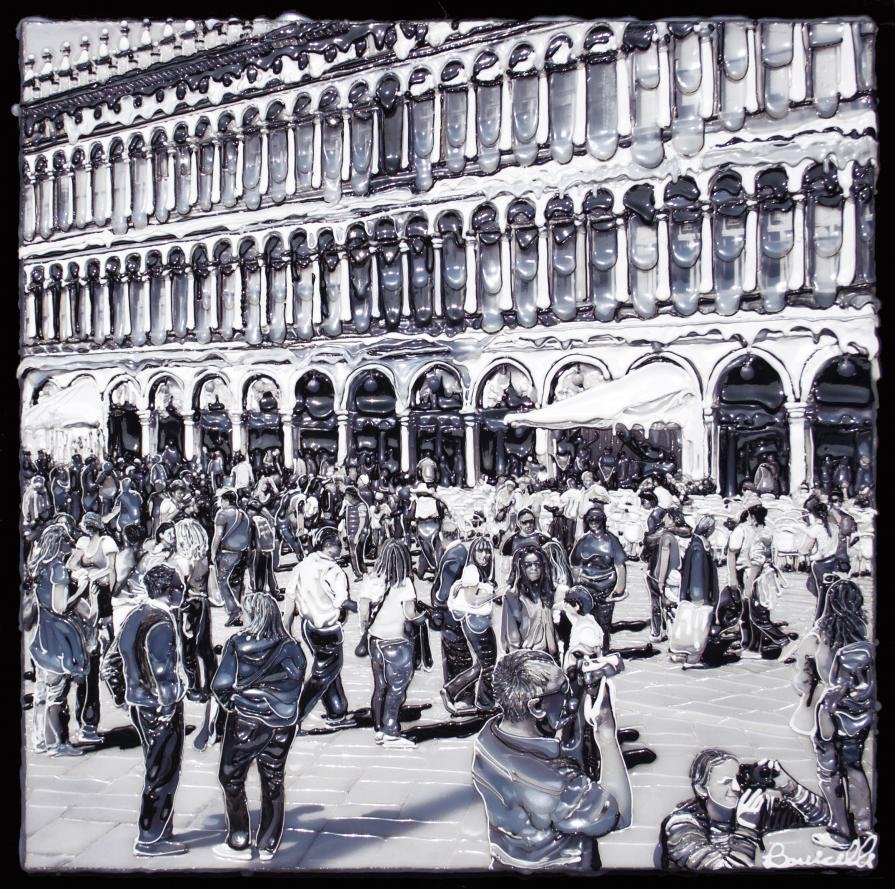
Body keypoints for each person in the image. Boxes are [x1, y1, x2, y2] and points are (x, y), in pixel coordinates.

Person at [471, 649, 632, 871]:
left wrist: (572, 692)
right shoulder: (554, 783)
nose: (571, 699)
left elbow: (543, 739)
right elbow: (619, 815)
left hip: (508, 861)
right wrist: (605, 733)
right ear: (536, 707)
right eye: (563, 690)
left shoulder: (488, 738)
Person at [210, 592, 306, 861]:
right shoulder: (291, 646)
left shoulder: (238, 643)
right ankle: (268, 842)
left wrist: (233, 703)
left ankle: (239, 838)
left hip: (246, 720)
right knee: (274, 779)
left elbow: (220, 684)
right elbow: (297, 683)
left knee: (231, 777)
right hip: (281, 722)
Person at [111, 565, 189, 857]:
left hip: (138, 702)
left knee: (155, 766)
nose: (184, 591)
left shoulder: (135, 615)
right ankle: (150, 837)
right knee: (163, 772)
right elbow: (162, 671)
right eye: (181, 586)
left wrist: (122, 696)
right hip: (159, 707)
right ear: (170, 592)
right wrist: (171, 703)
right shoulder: (161, 622)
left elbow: (111, 663)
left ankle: (161, 827)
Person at [792, 578, 874, 850]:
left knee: (829, 771)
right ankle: (865, 828)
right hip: (858, 713)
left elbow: (802, 681)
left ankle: (840, 830)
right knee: (854, 766)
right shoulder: (862, 632)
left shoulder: (818, 636)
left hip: (828, 713)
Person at [659, 748, 829, 870]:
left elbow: (828, 821)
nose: (736, 788)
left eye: (737, 779)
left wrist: (789, 787)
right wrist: (746, 830)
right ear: (701, 789)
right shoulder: (681, 825)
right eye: (726, 782)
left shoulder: (758, 808)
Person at [26, 523, 91, 757]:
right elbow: (60, 606)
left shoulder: (40, 567)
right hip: (57, 637)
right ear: (59, 543)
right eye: (67, 541)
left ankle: (40, 740)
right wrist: (81, 589)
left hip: (42, 634)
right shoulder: (58, 570)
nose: (71, 545)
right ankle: (57, 743)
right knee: (57, 693)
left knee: (42, 692)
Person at [358, 540, 427, 748]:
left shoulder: (370, 580)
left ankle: (378, 728)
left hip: (375, 640)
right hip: (397, 642)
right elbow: (409, 613)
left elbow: (363, 609)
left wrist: (365, 630)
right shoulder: (405, 582)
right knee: (397, 689)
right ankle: (390, 729)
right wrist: (423, 617)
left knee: (380, 687)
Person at [283, 527, 355, 728]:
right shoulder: (333, 570)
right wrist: (364, 607)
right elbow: (342, 601)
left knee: (330, 670)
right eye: (339, 543)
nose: (342, 546)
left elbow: (290, 602)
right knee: (322, 675)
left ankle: (337, 710)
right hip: (328, 629)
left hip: (308, 627)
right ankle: (295, 717)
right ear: (330, 546)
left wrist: (286, 631)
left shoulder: (302, 566)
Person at [430, 519, 477, 714]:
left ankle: (461, 695)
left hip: (450, 611)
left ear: (441, 536)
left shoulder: (453, 555)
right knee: (456, 651)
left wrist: (437, 603)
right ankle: (456, 692)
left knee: (455, 651)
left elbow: (444, 589)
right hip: (457, 609)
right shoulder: (461, 551)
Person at [569, 506, 627, 653]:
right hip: (587, 588)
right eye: (590, 520)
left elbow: (620, 565)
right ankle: (589, 650)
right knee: (587, 622)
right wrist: (576, 585)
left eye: (597, 520)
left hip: (606, 589)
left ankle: (605, 652)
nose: (593, 522)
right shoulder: (584, 541)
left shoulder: (611, 540)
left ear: (603, 521)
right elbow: (575, 564)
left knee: (604, 624)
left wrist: (619, 589)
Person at [442, 565, 499, 713]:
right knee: (488, 665)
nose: (485, 556)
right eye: (481, 551)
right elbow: (473, 600)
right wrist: (493, 593)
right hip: (477, 626)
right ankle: (485, 703)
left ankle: (452, 690)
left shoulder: (465, 582)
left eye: (487, 552)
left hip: (477, 625)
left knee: (481, 665)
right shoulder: (471, 573)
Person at [671, 515, 720, 667]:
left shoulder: (698, 543)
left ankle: (687, 652)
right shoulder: (699, 546)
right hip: (698, 592)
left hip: (695, 590)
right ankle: (693, 656)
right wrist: (699, 595)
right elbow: (697, 573)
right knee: (697, 623)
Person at [502, 546, 561, 659]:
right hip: (526, 655)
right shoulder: (512, 595)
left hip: (552, 655)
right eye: (528, 565)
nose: (533, 568)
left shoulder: (552, 591)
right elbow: (512, 634)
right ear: (520, 567)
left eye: (537, 564)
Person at [644, 507, 690, 644]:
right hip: (680, 574)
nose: (663, 520)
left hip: (659, 574)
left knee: (657, 603)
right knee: (674, 604)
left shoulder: (664, 535)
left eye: (666, 517)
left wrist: (661, 581)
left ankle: (657, 631)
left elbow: (650, 546)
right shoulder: (686, 534)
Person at [211, 490, 251, 627]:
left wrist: (212, 552)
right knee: (237, 582)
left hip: (228, 553)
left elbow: (218, 535)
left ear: (227, 501)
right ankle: (240, 611)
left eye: (221, 500)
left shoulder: (221, 514)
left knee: (222, 581)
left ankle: (234, 611)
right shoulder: (243, 514)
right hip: (242, 552)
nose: (220, 503)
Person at [246, 500, 280, 599]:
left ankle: (258, 593)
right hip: (268, 549)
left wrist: (250, 552)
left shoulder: (252, 521)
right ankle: (275, 592)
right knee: (269, 572)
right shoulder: (263, 519)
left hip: (258, 551)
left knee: (257, 574)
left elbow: (255, 538)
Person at [340, 487, 370, 581]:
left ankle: (361, 573)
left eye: (346, 496)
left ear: (350, 496)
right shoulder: (348, 506)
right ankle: (359, 572)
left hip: (357, 534)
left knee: (357, 554)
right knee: (354, 554)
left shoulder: (361, 506)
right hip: (350, 534)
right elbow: (343, 517)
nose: (345, 497)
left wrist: (357, 535)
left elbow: (362, 522)